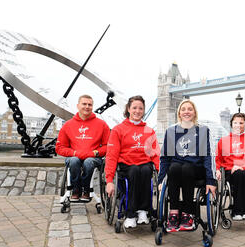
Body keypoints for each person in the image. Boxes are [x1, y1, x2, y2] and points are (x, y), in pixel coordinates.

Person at [158, 99, 216, 232]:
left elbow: (209, 156)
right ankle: (173, 213)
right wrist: (161, 180)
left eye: (190, 109)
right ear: (179, 113)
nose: (186, 112)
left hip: (196, 168)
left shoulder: (203, 130)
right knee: (174, 167)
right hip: (176, 169)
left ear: (194, 112)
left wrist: (211, 180)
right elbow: (165, 158)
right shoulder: (171, 130)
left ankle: (188, 213)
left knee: (187, 168)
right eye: (183, 109)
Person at [105, 95, 160, 229]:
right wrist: (109, 180)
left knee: (147, 170)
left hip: (144, 164)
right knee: (135, 170)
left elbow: (155, 154)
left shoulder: (149, 131)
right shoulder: (118, 129)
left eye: (140, 108)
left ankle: (143, 211)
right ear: (128, 109)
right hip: (127, 165)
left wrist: (162, 174)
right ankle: (130, 214)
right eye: (134, 107)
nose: (137, 111)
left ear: (144, 110)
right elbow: (112, 155)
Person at [56, 94, 110, 201]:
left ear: (92, 107)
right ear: (78, 105)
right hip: (74, 156)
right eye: (84, 104)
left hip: (93, 157)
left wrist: (95, 153)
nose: (87, 107)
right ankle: (76, 190)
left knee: (88, 162)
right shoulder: (68, 125)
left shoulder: (102, 124)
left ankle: (86, 190)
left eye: (89, 104)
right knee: (74, 161)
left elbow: (108, 146)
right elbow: (59, 147)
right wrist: (74, 153)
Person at [215, 113, 245, 220]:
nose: (238, 125)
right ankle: (240, 210)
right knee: (238, 174)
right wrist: (217, 169)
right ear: (231, 124)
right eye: (235, 122)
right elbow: (218, 159)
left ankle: (242, 210)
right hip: (229, 171)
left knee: (242, 174)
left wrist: (243, 166)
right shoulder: (224, 141)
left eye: (241, 123)